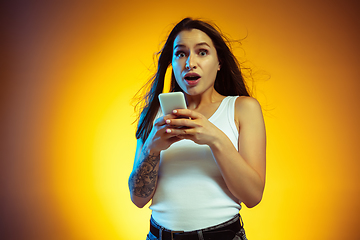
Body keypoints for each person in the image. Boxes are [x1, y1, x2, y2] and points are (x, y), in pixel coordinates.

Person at [128, 17, 266, 240]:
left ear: (219, 61)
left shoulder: (242, 108)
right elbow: (138, 199)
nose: (190, 62)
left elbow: (252, 197)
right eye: (181, 53)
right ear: (172, 63)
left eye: (202, 52)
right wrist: (151, 150)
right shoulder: (154, 115)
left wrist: (214, 138)